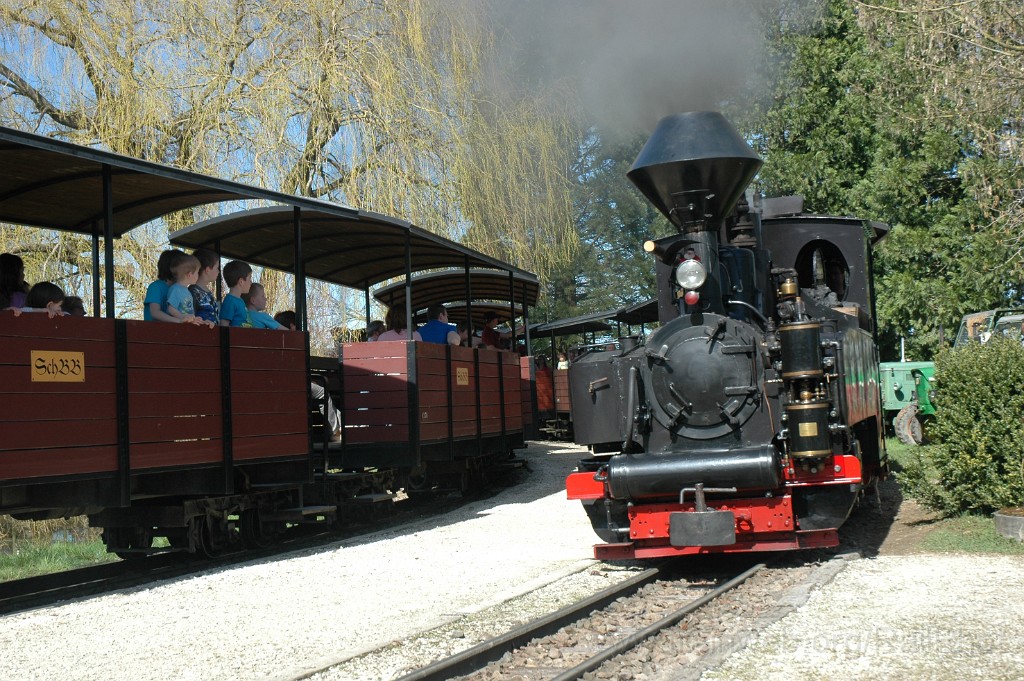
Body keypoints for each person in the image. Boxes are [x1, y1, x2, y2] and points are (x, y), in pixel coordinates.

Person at [273, 310, 342, 442]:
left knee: (321, 387)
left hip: (283, 383)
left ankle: (339, 425)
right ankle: (335, 431)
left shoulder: (276, 340)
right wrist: (315, 378)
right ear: (292, 325)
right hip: (293, 384)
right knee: (322, 392)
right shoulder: (291, 342)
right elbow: (297, 370)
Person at [145, 249, 194, 323]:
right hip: (154, 331)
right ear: (173, 268)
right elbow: (155, 313)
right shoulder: (155, 287)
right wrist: (179, 321)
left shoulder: (180, 289)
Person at [166, 253, 213, 326]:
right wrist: (183, 318)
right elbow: (171, 309)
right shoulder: (176, 289)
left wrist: (200, 321)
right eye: (197, 272)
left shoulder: (186, 290)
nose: (198, 275)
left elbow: (190, 313)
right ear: (190, 275)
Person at [190, 248, 221, 326]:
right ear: (207, 270)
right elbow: (189, 315)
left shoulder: (209, 292)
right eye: (217, 268)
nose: (218, 271)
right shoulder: (192, 291)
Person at [219, 260, 252, 327]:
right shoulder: (230, 301)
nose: (251, 282)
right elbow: (224, 324)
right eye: (250, 279)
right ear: (241, 281)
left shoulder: (240, 300)